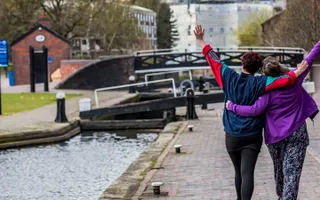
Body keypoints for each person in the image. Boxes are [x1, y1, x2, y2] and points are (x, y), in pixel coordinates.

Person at [193, 24, 308, 200]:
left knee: (237, 172)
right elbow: (282, 81)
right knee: (248, 173)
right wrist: (297, 72)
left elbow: (213, 59)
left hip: (232, 135)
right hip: (252, 135)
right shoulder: (261, 83)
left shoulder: (228, 77)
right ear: (258, 69)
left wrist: (201, 40)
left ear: (242, 64)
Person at [226, 41, 320, 200]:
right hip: (298, 134)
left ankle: (281, 196)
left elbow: (254, 110)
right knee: (292, 173)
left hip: (275, 137)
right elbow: (309, 59)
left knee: (279, 171)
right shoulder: (295, 78)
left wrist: (232, 106)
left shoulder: (266, 90)